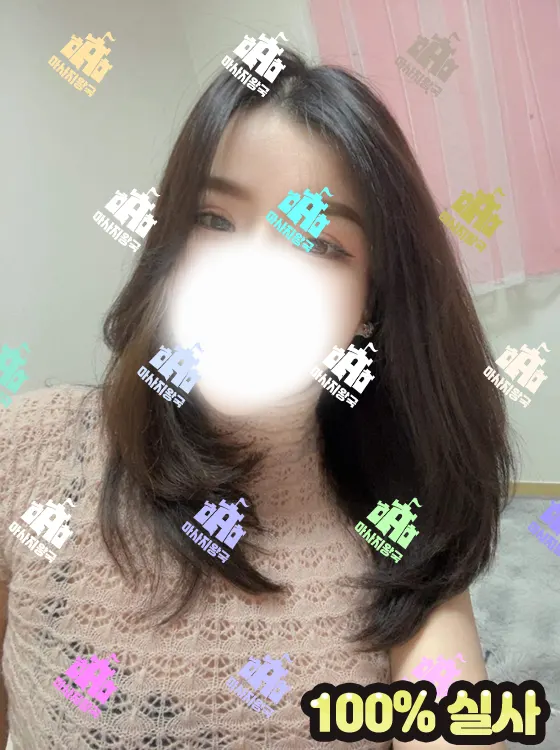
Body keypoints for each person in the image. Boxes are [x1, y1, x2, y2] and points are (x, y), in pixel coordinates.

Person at [0, 49, 512, 749]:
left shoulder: (397, 514)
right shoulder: (27, 451)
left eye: (319, 243)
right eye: (214, 220)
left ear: (371, 303)